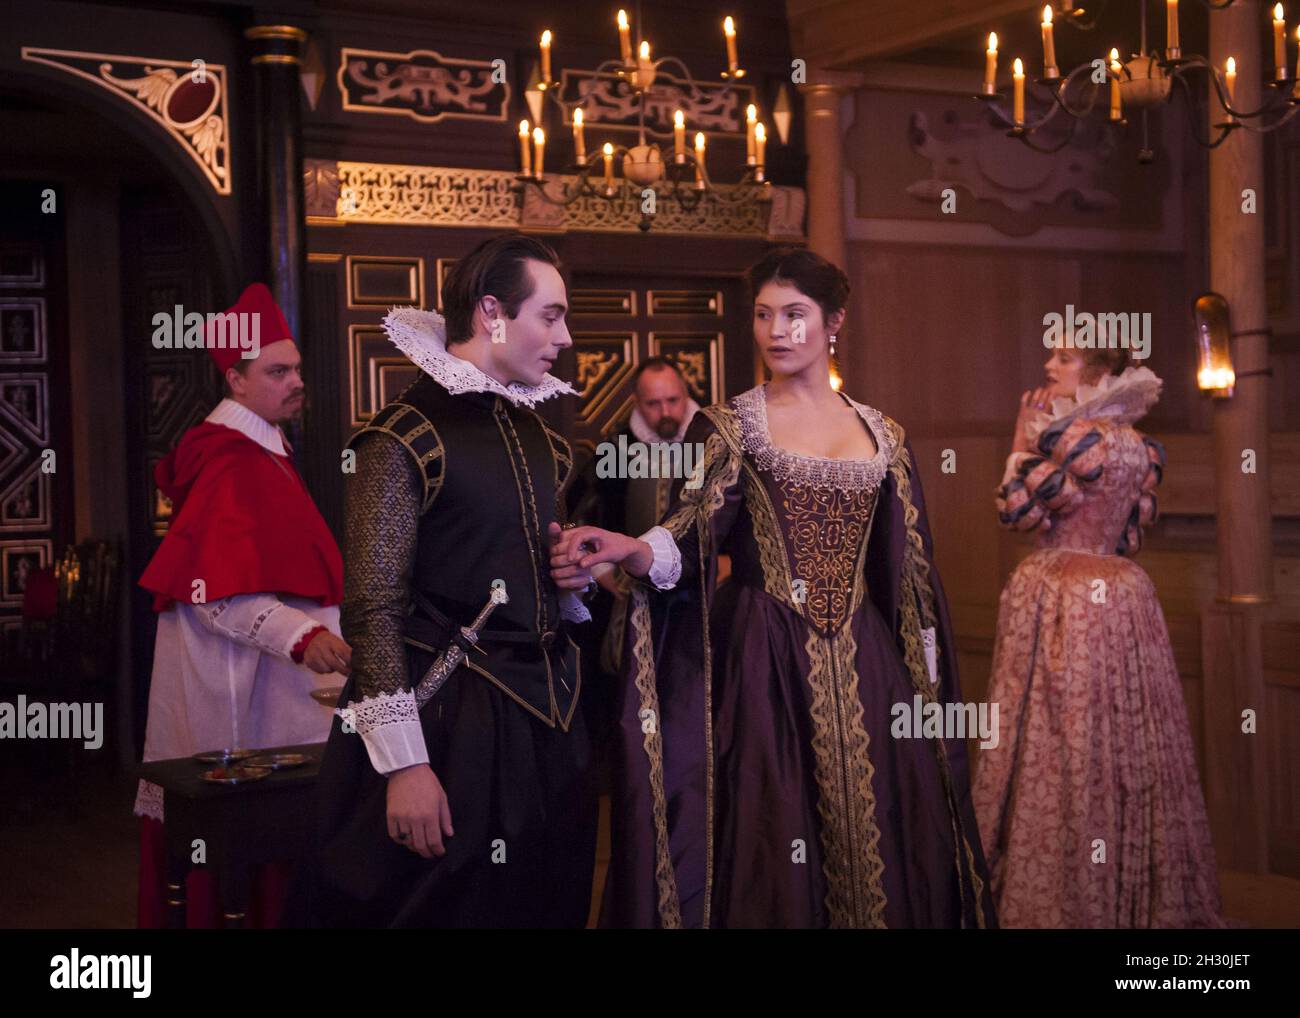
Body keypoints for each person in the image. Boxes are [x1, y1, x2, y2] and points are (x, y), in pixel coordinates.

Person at [551, 247, 995, 928]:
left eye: (795, 314)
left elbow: (908, 578)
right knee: (770, 832)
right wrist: (632, 548)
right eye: (763, 315)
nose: (776, 331)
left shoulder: (884, 436)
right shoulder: (731, 427)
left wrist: (926, 686)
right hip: (762, 666)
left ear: (833, 321)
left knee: (884, 832)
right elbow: (691, 532)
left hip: (869, 666)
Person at [301, 234, 598, 928]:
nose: (565, 336)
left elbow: (522, 579)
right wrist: (404, 766)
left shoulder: (546, 441)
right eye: (550, 316)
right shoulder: (402, 436)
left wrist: (570, 578)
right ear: (492, 312)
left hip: (550, 723)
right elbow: (373, 607)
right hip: (452, 727)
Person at [973, 347, 1224, 928]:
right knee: (1119, 734)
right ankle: (1127, 885)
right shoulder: (1138, 445)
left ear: (1097, 373)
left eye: (1062, 358)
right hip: (1121, 597)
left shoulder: (1073, 436)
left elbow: (1020, 515)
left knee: (1060, 733)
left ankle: (1064, 890)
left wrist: (1020, 440)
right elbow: (1130, 538)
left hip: (1065, 594)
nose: (1049, 367)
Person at [135, 282, 348, 927]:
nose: (296, 382)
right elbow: (214, 599)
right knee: (242, 871)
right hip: (242, 702)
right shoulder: (233, 462)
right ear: (235, 379)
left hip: (269, 694)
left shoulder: (265, 448)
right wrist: (307, 637)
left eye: (297, 369)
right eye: (277, 371)